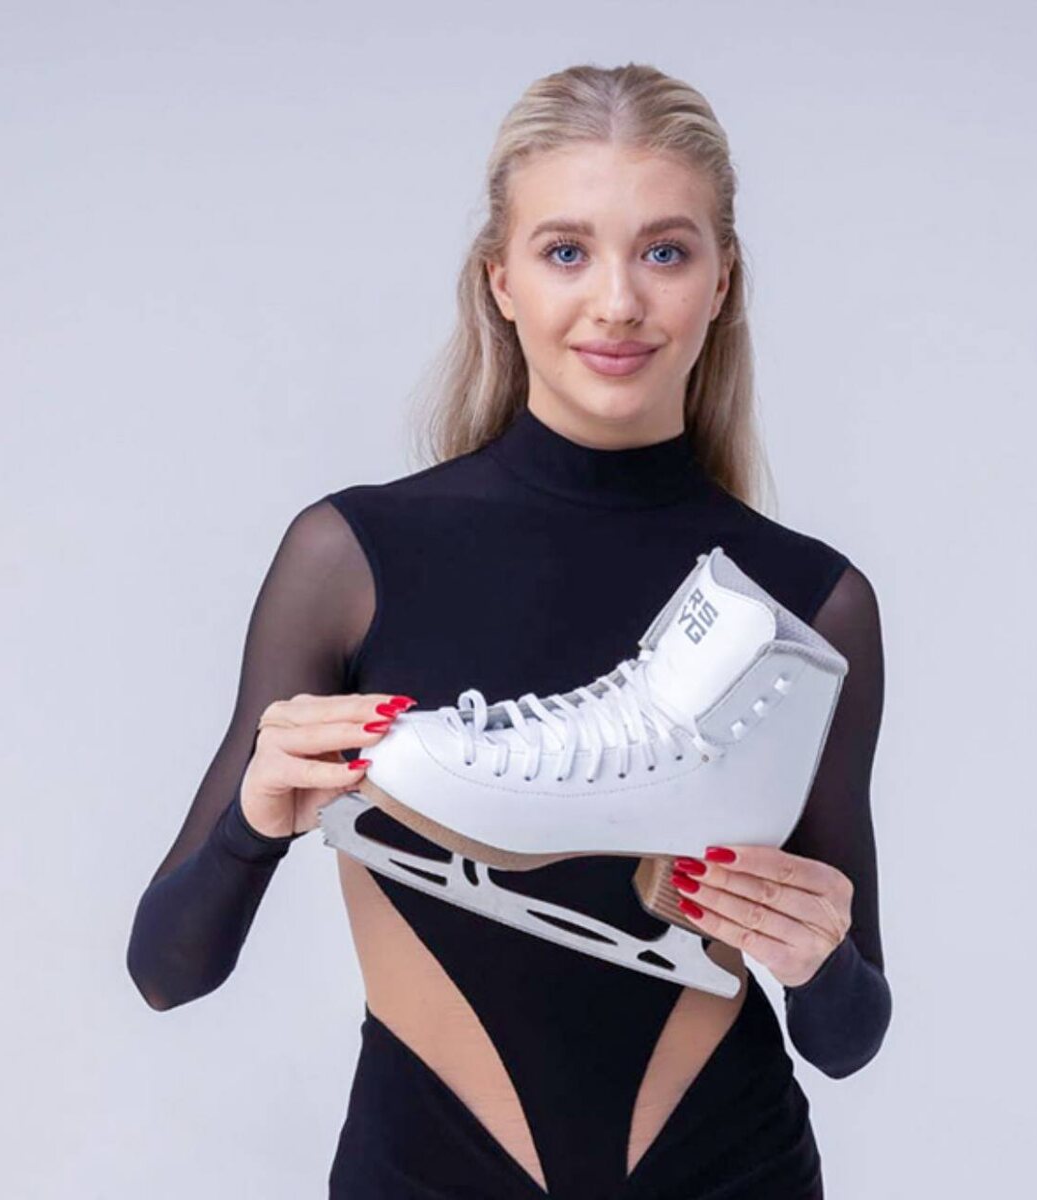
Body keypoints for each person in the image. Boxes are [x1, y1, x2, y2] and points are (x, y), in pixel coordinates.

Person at [126, 62, 892, 1200]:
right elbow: (166, 971)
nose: (618, 302)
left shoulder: (802, 604)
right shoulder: (355, 558)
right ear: (501, 279)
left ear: (722, 279)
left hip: (730, 1168)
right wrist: (254, 820)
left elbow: (847, 1036)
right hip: (423, 1172)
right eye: (566, 251)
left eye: (665, 252)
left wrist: (817, 956)